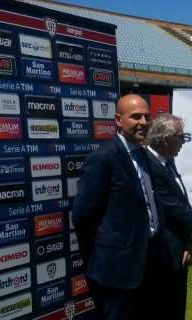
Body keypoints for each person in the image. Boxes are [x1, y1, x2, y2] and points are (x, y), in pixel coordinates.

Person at [72, 94, 171, 319]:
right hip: (116, 272)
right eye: (135, 116)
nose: (144, 122)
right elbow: (82, 216)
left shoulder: (144, 155)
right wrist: (105, 256)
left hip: (150, 263)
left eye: (147, 116)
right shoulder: (103, 159)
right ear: (118, 120)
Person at [145, 113, 192, 319]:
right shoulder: (149, 165)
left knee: (177, 309)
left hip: (179, 251)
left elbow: (182, 204)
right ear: (166, 139)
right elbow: (173, 209)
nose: (183, 143)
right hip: (162, 254)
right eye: (181, 138)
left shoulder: (167, 161)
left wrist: (189, 242)